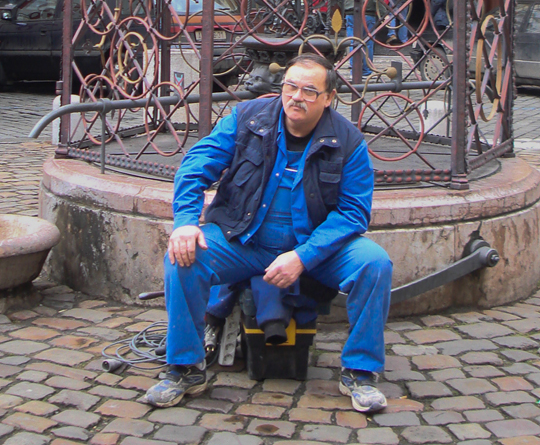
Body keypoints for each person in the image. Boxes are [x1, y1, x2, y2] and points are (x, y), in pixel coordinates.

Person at [144, 53, 393, 414]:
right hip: (246, 239)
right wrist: (184, 221)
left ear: (328, 98)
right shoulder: (247, 119)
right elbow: (195, 164)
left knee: (375, 264)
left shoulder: (349, 141)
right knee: (184, 256)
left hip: (312, 247)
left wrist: (304, 256)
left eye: (309, 90)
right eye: (291, 86)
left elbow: (354, 212)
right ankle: (184, 368)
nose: (296, 96)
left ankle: (360, 371)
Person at [343, 0, 383, 77]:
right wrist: (383, 13)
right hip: (367, 12)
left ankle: (354, 70)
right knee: (368, 43)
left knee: (353, 42)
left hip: (350, 12)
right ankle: (366, 71)